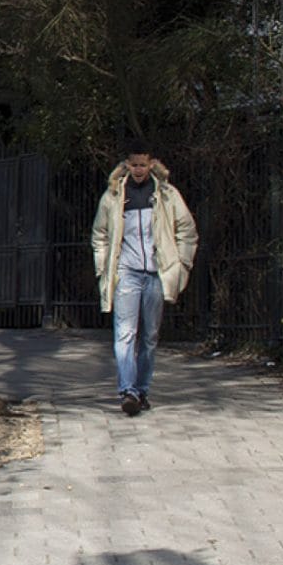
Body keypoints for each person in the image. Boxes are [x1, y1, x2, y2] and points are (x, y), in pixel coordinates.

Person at [90, 148, 198, 416]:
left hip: (156, 273)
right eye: (134, 164)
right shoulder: (114, 195)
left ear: (151, 164)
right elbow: (100, 234)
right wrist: (103, 268)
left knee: (149, 336)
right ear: (126, 165)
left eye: (143, 164)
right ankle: (128, 391)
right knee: (125, 333)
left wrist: (180, 265)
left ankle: (142, 389)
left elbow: (187, 230)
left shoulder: (167, 195)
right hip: (126, 272)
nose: (138, 169)